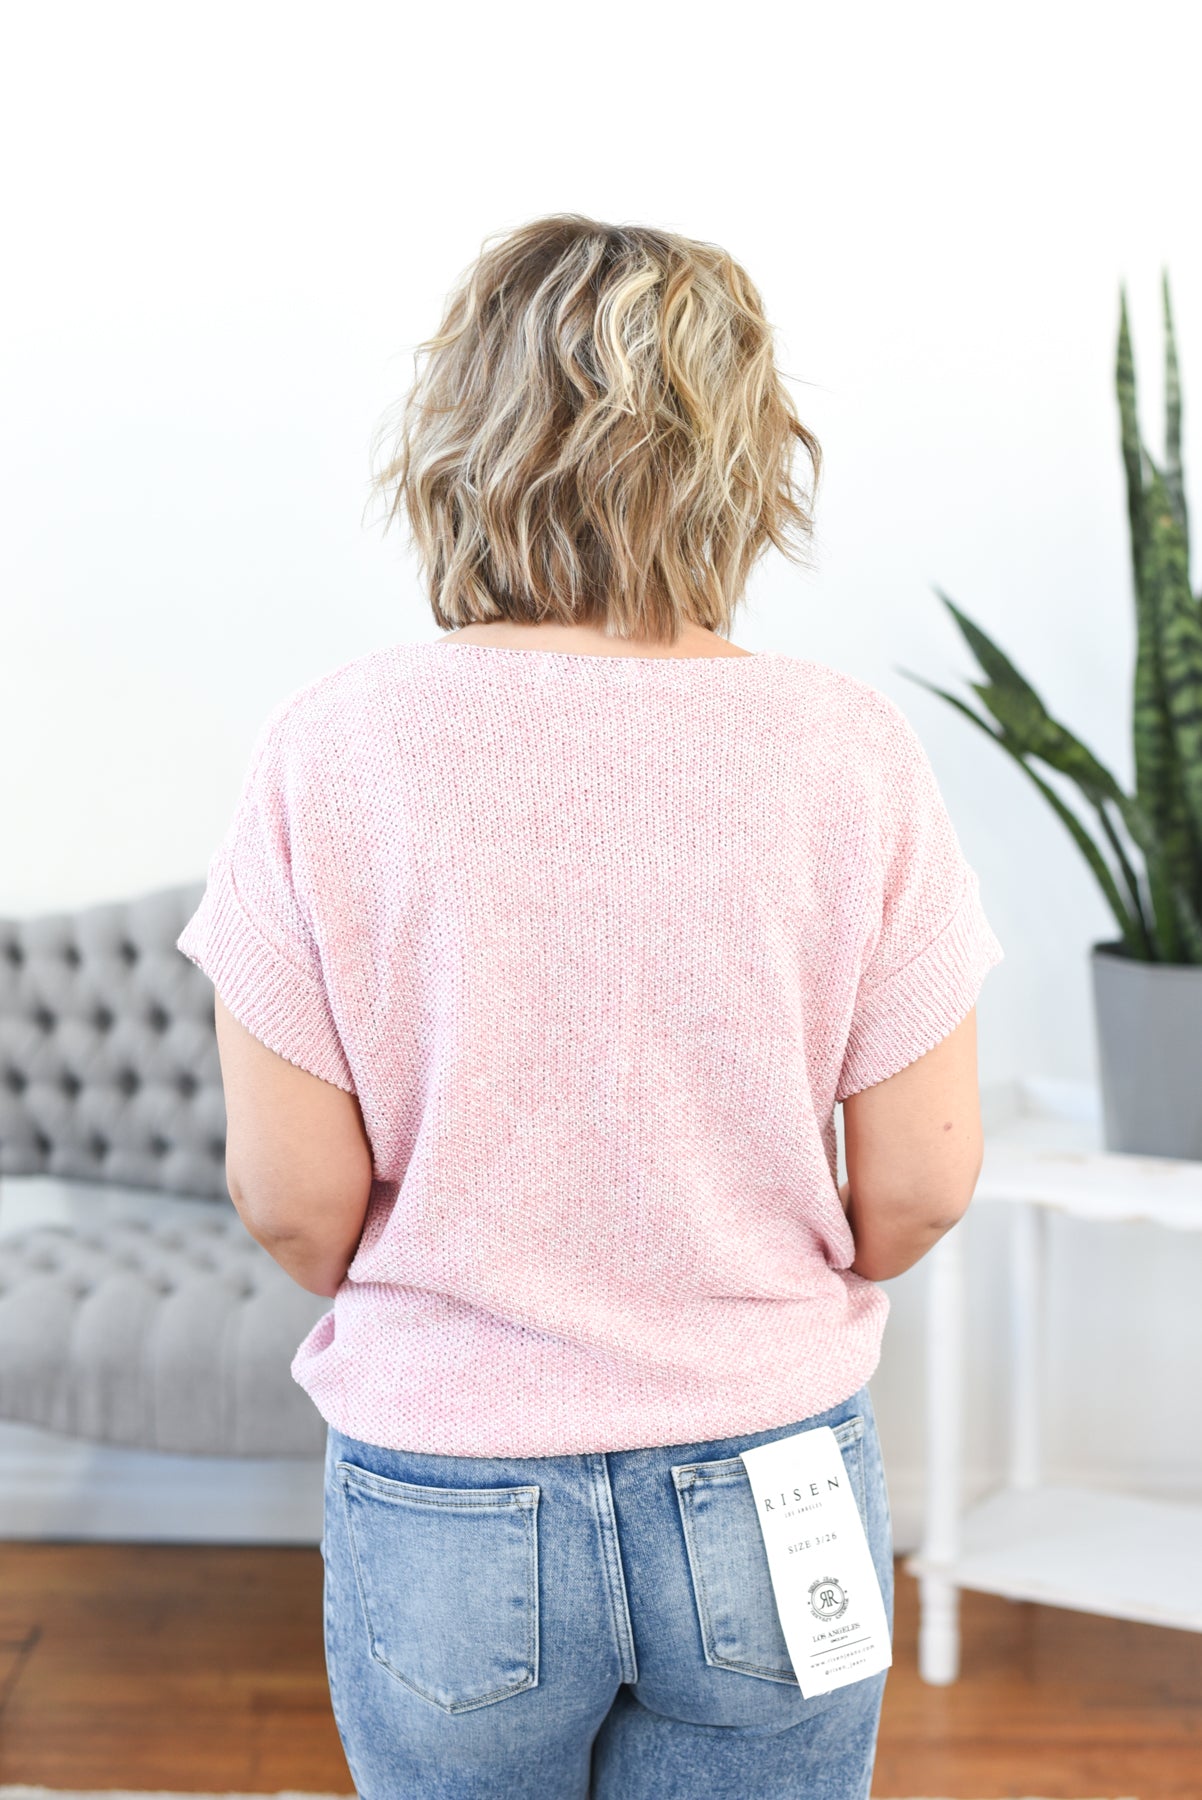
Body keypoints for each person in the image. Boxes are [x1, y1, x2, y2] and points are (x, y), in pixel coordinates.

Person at [176, 213, 1004, 1800]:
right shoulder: (849, 752)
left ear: (459, 440)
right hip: (767, 1473)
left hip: (449, 1488)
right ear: (743, 454)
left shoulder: (332, 745)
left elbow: (292, 1204)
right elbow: (917, 1185)